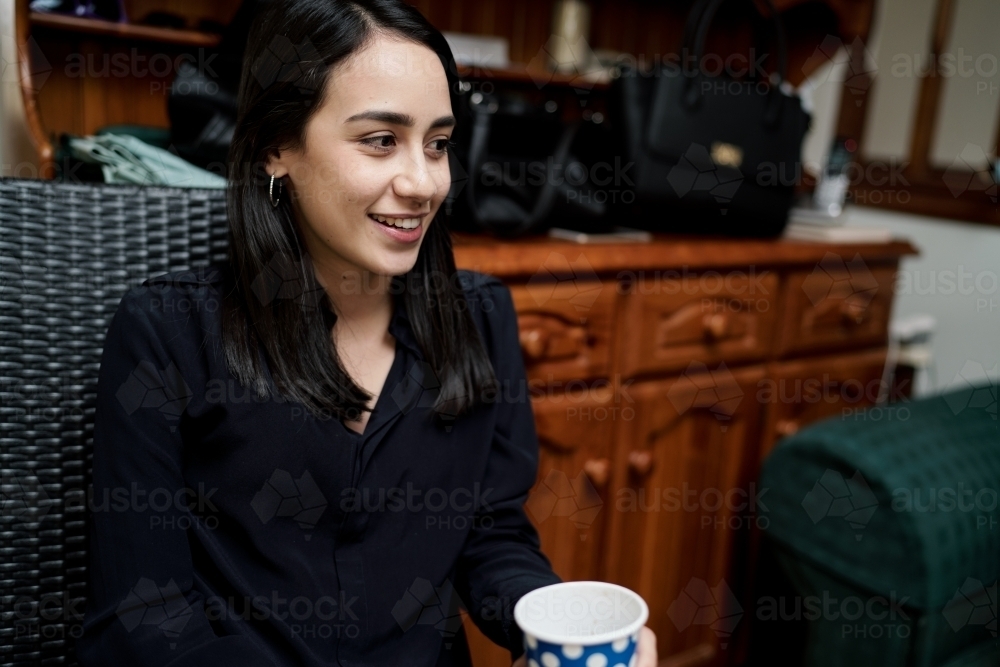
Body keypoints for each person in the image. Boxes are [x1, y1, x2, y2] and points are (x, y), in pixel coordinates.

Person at [76, 1, 657, 665]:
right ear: (276, 147)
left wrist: (555, 626)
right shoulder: (167, 332)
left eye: (437, 144)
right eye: (381, 139)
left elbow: (489, 535)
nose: (422, 182)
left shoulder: (481, 316)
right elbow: (143, 617)